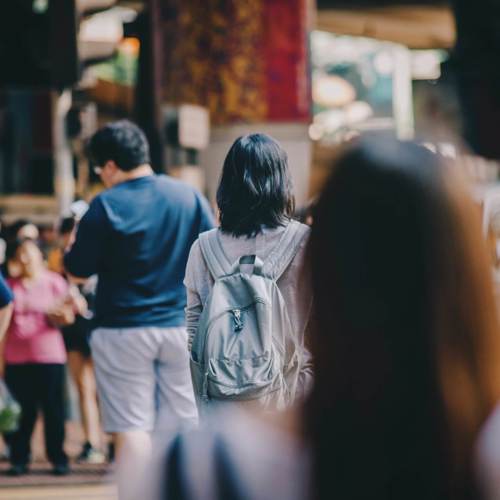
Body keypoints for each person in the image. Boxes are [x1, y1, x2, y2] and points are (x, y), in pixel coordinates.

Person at [158, 138, 500, 500]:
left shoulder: (190, 465)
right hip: (296, 386)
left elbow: (192, 325)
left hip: (221, 392)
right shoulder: (305, 241)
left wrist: (203, 392)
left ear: (227, 183)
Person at [63, 120, 214, 498]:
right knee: (184, 423)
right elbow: (212, 253)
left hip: (121, 329)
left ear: (109, 166)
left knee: (132, 427)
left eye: (99, 170)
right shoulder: (187, 196)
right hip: (181, 325)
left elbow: (78, 270)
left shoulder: (106, 205)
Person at [184, 133, 313, 412]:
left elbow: (194, 327)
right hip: (291, 397)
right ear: (281, 181)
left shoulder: (203, 248)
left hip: (223, 398)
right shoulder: (306, 242)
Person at [3, 238, 83, 476]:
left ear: (40, 256)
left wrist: (60, 314)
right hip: (16, 359)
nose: (25, 258)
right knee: (21, 414)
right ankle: (19, 458)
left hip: (49, 357)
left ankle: (58, 457)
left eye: (29, 252)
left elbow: (71, 315)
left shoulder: (54, 282)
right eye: (21, 253)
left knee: (53, 411)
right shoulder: (10, 285)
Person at [53, 216, 105, 464]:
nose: (72, 237)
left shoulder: (99, 253)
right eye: (69, 232)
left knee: (103, 389)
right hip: (74, 328)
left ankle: (114, 442)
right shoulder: (59, 260)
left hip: (99, 325)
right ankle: (91, 442)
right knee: (83, 387)